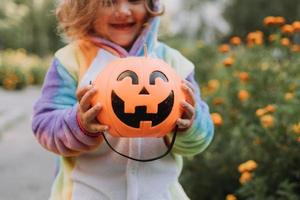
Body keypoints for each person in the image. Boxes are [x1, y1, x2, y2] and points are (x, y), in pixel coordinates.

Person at [31, 0, 214, 199]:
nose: (123, 11)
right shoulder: (71, 61)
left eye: (134, 0)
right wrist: (79, 123)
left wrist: (190, 126)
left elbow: (201, 136)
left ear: (150, 4)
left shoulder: (174, 63)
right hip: (87, 193)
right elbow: (44, 126)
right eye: (108, 2)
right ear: (85, 7)